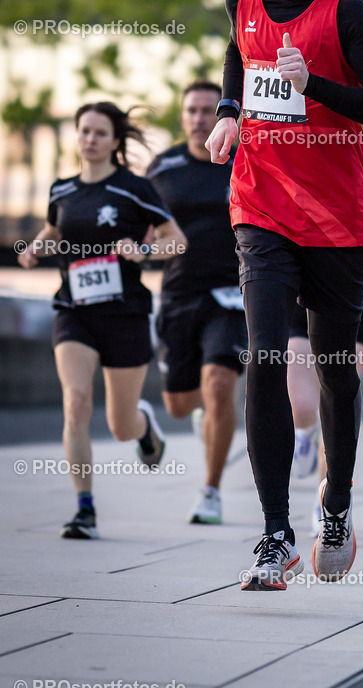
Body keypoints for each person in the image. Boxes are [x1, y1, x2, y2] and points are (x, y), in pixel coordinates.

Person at [208, 0, 363, 590]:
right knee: (264, 355)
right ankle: (274, 535)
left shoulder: (348, 13)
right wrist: (230, 109)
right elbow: (238, 55)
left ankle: (336, 506)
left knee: (332, 371)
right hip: (259, 206)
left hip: (337, 219)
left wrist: (313, 84)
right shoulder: (243, 1)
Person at [18, 102, 187, 539]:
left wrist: (145, 252)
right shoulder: (62, 190)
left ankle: (145, 428)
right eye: (84, 131)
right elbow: (54, 231)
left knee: (120, 424)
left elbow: (177, 241)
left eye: (99, 133)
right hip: (73, 310)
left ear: (115, 142)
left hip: (125, 314)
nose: (89, 139)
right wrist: (34, 248)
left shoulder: (134, 189)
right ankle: (85, 508)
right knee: (75, 402)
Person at [147, 81, 247, 524]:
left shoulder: (244, 158)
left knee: (221, 384)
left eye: (210, 108)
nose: (201, 117)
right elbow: (141, 227)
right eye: (192, 109)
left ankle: (210, 491)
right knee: (180, 405)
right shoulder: (162, 167)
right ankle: (185, 417)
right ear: (183, 114)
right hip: (178, 295)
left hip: (231, 293)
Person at [287, 179, 363, 536]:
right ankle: (302, 434)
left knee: (335, 398)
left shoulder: (358, 180)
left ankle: (326, 504)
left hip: (348, 302)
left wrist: (346, 247)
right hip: (298, 306)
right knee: (303, 407)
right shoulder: (284, 171)